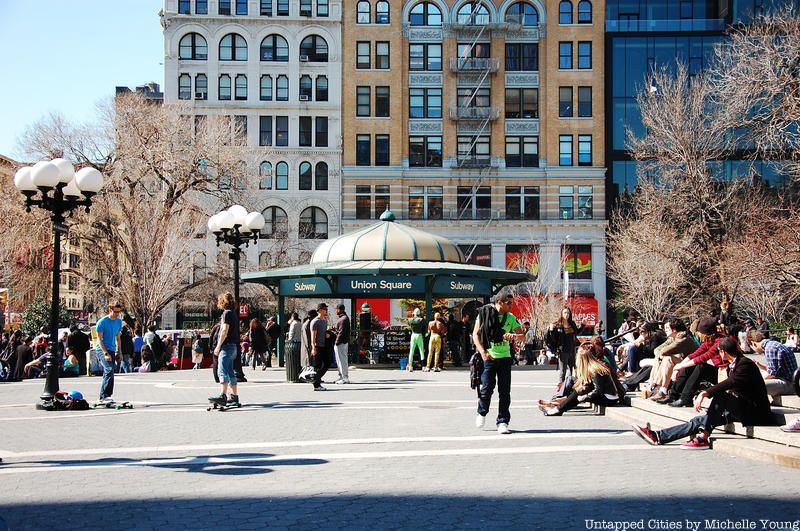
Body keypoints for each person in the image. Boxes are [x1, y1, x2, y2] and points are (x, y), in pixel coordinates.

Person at [633, 338, 774, 449]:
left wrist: (704, 393)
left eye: (719, 352)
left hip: (756, 413)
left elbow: (730, 383)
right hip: (742, 408)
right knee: (699, 421)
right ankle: (658, 436)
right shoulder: (735, 364)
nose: (718, 355)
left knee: (721, 396)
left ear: (723, 352)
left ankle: (704, 436)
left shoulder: (745, 365)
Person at [473, 290, 524, 435]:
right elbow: (475, 335)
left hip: (505, 358)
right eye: (508, 303)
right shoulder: (484, 314)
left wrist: (515, 336)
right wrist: (482, 352)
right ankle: (481, 413)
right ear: (499, 302)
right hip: (489, 357)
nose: (511, 306)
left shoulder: (511, 318)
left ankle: (503, 421)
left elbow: (522, 337)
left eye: (512, 303)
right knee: (486, 389)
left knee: (505, 392)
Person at [540, 344, 621, 416]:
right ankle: (558, 408)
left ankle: (557, 409)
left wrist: (585, 397)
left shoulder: (595, 371)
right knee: (580, 390)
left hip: (610, 399)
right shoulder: (594, 368)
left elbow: (598, 390)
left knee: (579, 393)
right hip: (607, 396)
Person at [661, 318, 725, 407]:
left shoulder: (720, 342)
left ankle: (685, 398)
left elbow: (703, 357)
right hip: (720, 372)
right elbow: (694, 355)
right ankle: (673, 395)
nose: (698, 334)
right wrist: (680, 366)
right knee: (690, 365)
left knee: (701, 366)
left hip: (726, 374)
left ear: (705, 333)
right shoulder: (709, 341)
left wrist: (679, 366)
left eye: (699, 332)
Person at [647, 317, 698, 401]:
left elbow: (665, 350)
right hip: (680, 363)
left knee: (667, 358)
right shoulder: (672, 338)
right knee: (659, 358)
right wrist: (660, 355)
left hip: (690, 366)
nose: (665, 330)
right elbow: (657, 350)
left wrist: (662, 355)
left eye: (667, 328)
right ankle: (653, 385)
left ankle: (662, 390)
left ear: (674, 330)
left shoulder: (683, 338)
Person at [546, 307, 591, 388]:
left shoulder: (572, 324)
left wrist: (583, 325)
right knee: (562, 371)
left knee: (573, 368)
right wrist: (551, 330)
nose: (566, 314)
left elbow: (577, 333)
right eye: (565, 313)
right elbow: (553, 339)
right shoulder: (558, 325)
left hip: (572, 349)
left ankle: (571, 385)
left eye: (568, 313)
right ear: (562, 314)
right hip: (563, 350)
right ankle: (560, 386)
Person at [208, 292, 240, 407]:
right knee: (231, 372)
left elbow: (224, 331)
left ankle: (223, 395)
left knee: (222, 371)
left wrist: (218, 346)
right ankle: (234, 396)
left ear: (222, 302)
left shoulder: (226, 314)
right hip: (233, 346)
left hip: (226, 346)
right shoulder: (234, 314)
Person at [748, 330, 798, 397]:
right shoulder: (772, 344)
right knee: (758, 373)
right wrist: (760, 366)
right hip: (791, 379)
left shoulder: (769, 348)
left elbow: (772, 374)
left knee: (753, 384)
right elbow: (775, 370)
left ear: (753, 343)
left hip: (789, 383)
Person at [95, 302, 124, 402]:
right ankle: (104, 396)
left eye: (119, 312)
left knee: (110, 372)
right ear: (110, 310)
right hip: (101, 349)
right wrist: (105, 353)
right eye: (115, 312)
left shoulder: (119, 321)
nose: (117, 314)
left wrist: (119, 352)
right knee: (108, 369)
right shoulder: (102, 322)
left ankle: (107, 395)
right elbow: (99, 339)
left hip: (112, 349)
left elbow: (118, 338)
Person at [310, 303, 331, 390]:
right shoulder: (315, 321)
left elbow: (323, 332)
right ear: (320, 310)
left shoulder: (324, 321)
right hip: (317, 346)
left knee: (327, 363)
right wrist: (313, 348)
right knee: (317, 366)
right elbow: (313, 336)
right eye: (325, 309)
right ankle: (316, 385)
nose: (326, 310)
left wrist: (326, 334)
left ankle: (316, 379)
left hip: (324, 345)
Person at [333, 304, 351, 384]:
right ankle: (341, 376)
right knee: (340, 360)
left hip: (341, 342)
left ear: (339, 309)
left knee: (342, 360)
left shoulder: (343, 319)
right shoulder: (343, 318)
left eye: (336, 309)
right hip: (342, 342)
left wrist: (337, 342)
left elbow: (341, 332)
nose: (335, 311)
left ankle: (345, 378)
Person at [299, 309, 318, 382]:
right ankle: (306, 378)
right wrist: (311, 347)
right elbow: (307, 339)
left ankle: (309, 377)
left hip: (307, 348)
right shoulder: (307, 325)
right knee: (308, 364)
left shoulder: (307, 323)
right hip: (307, 348)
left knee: (309, 364)